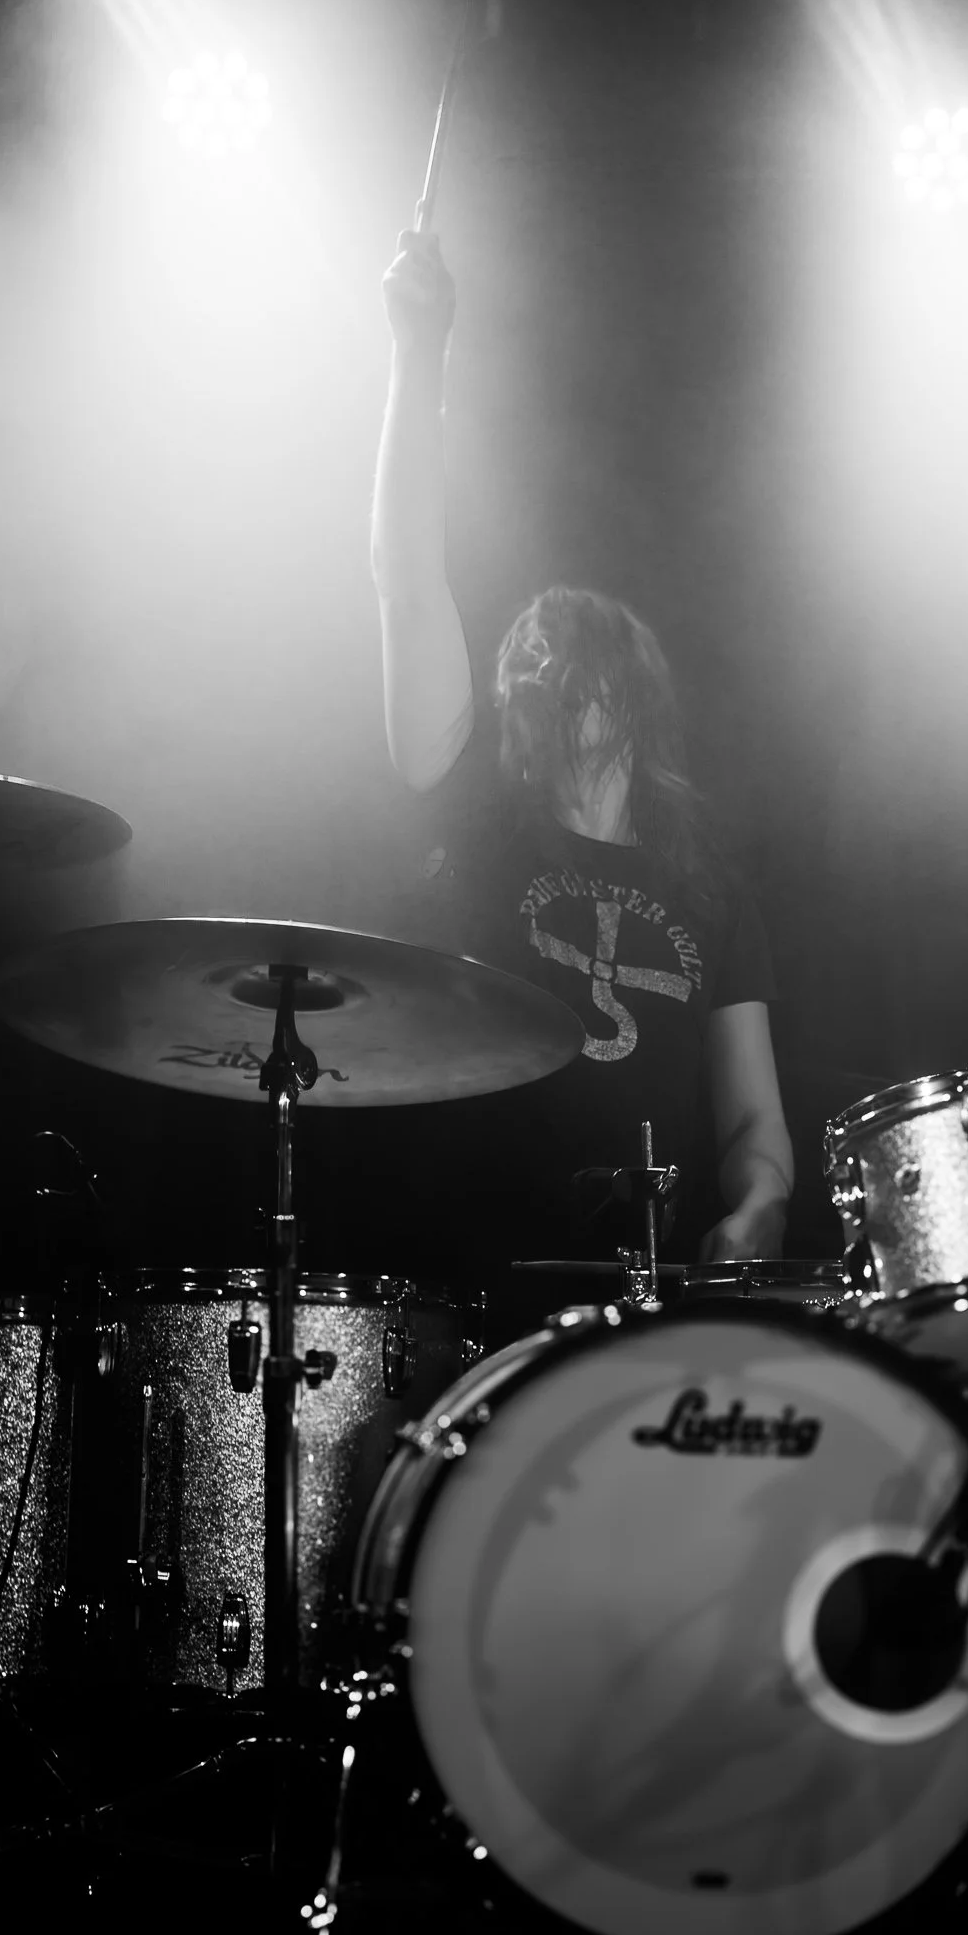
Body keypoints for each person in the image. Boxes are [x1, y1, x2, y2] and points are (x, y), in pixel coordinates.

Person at [370, 228, 793, 1270]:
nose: (541, 672)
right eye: (527, 659)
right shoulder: (477, 818)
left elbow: (754, 1124)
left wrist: (757, 1209)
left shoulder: (708, 887)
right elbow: (406, 578)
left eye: (567, 655)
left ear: (631, 696)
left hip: (653, 1300)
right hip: (485, 1291)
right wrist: (418, 354)